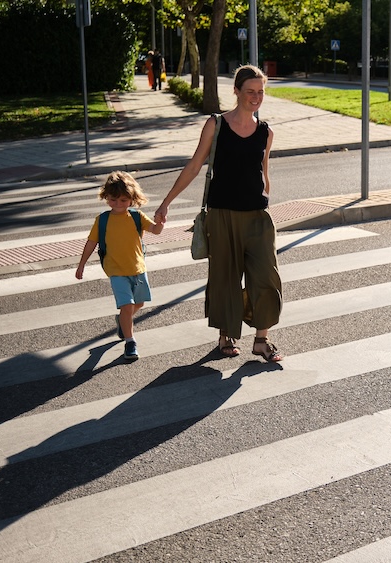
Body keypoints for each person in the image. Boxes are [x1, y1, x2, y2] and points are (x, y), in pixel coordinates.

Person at [154, 64, 283, 362]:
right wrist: (166, 202)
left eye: (260, 92)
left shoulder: (266, 132)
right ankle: (226, 333)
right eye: (250, 91)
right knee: (225, 277)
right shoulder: (217, 125)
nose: (255, 97)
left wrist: (266, 193)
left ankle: (261, 340)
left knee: (266, 276)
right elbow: (195, 164)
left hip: (257, 217)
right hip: (222, 214)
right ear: (236, 91)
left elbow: (264, 170)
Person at [76, 171, 165, 361]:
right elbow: (91, 243)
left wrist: (160, 223)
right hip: (115, 270)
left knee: (138, 304)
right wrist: (81, 265)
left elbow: (155, 231)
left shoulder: (136, 217)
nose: (118, 204)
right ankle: (130, 341)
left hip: (137, 268)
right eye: (114, 199)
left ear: (132, 199)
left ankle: (122, 321)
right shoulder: (103, 220)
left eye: (124, 200)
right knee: (128, 306)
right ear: (106, 197)